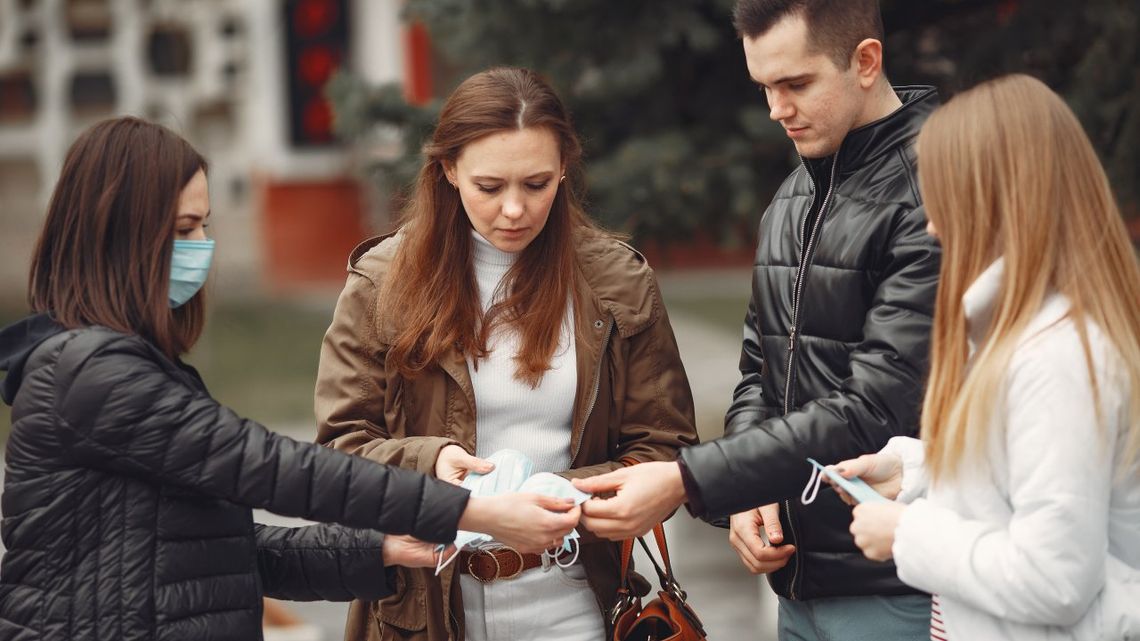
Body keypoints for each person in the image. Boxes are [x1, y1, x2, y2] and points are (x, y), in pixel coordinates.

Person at [0, 117, 579, 641]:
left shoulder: (124, 367)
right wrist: (465, 510)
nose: (200, 249)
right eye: (181, 229)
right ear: (115, 234)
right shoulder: (91, 374)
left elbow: (224, 552)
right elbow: (273, 467)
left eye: (203, 226)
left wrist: (379, 550)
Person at [573, 0, 942, 638]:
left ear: (865, 61)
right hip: (798, 587)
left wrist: (689, 479)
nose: (776, 109)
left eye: (796, 84)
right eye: (765, 87)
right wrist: (745, 494)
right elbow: (760, 370)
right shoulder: (793, 195)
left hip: (902, 584)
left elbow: (877, 406)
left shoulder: (934, 186)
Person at [314, 66, 699, 641]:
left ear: (565, 168)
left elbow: (664, 445)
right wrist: (434, 464)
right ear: (447, 170)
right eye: (490, 187)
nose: (515, 210)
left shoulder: (617, 280)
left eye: (537, 184)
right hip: (422, 612)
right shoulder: (382, 283)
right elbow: (337, 456)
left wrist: (555, 500)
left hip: (573, 605)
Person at [830, 74, 1140, 641]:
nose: (933, 225)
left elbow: (1054, 579)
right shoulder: (1029, 332)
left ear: (994, 201)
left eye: (944, 199)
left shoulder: (1057, 358)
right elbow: (1029, 473)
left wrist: (906, 534)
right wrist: (916, 470)